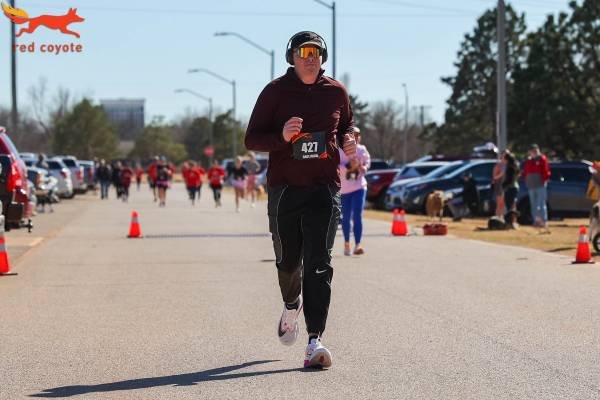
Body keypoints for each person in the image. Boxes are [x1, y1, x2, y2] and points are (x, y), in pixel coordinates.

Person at [245, 31, 356, 369]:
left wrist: (350, 138)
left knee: (319, 263)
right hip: (285, 189)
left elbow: (347, 125)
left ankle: (314, 341)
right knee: (288, 261)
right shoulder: (275, 92)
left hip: (324, 188)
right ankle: (291, 303)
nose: (310, 58)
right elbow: (252, 139)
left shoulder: (335, 92)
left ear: (323, 57)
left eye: (316, 53)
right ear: (291, 57)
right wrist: (281, 136)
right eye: (304, 52)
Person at [339, 127, 371, 256]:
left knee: (357, 215)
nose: (356, 137)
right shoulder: (340, 150)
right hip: (344, 189)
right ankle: (347, 243)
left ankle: (358, 245)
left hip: (359, 187)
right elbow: (336, 167)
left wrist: (363, 167)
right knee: (346, 217)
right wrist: (348, 166)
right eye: (354, 135)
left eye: (358, 135)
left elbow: (367, 162)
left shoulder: (362, 150)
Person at [523, 144, 551, 228]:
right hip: (531, 185)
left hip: (540, 185)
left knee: (541, 203)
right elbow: (526, 172)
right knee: (533, 204)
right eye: (532, 151)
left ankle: (544, 221)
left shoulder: (542, 159)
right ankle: (536, 220)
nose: (533, 152)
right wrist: (526, 181)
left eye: (535, 150)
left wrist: (545, 180)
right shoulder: (528, 161)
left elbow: (546, 171)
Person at [502, 150, 520, 229]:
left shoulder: (510, 168)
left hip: (511, 188)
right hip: (515, 187)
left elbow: (509, 180)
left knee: (509, 206)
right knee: (512, 205)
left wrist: (503, 186)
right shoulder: (515, 166)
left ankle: (510, 223)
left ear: (507, 160)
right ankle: (513, 222)